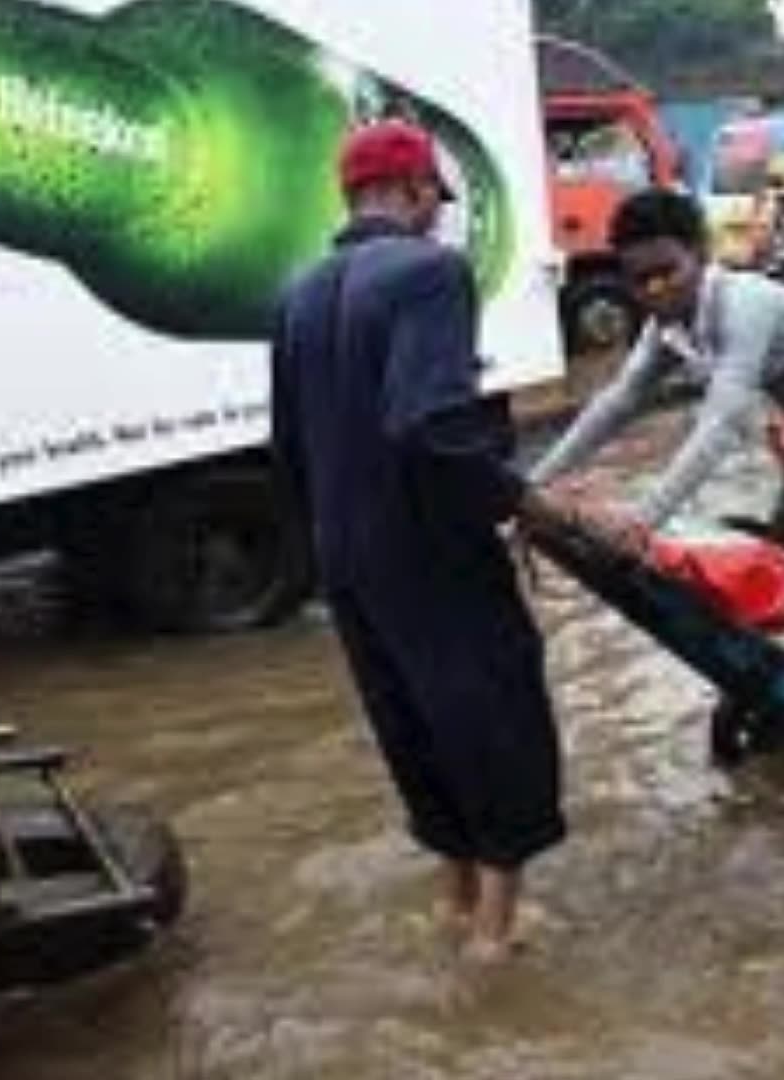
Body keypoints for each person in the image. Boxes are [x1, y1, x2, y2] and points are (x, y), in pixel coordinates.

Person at [271, 119, 577, 963]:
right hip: (429, 550)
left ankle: (453, 904)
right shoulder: (431, 273)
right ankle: (495, 937)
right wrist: (525, 504)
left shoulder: (300, 293)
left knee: (411, 721)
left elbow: (289, 448)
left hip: (348, 560)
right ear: (409, 193)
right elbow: (429, 426)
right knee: (495, 713)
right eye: (434, 200)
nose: (439, 218)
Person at [529, 188, 784, 701]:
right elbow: (616, 403)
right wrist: (535, 482)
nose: (655, 291)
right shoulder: (666, 328)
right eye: (639, 280)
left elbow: (721, 424)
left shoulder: (744, 304)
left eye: (666, 272)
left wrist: (644, 523)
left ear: (701, 255)